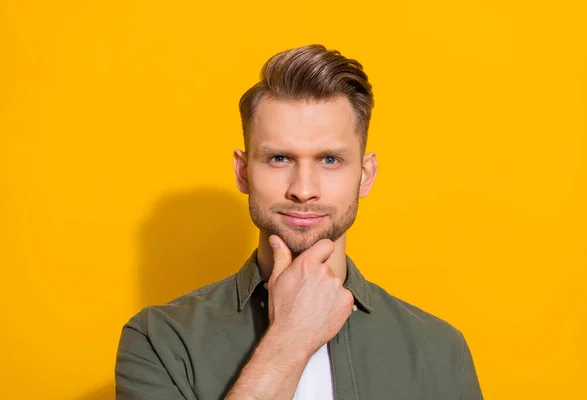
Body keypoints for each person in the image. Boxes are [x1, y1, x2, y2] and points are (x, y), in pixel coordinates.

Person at [115, 44, 483, 400]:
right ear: (243, 173)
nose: (303, 190)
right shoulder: (160, 340)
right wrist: (291, 338)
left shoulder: (440, 350)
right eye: (278, 158)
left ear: (366, 175)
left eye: (329, 160)